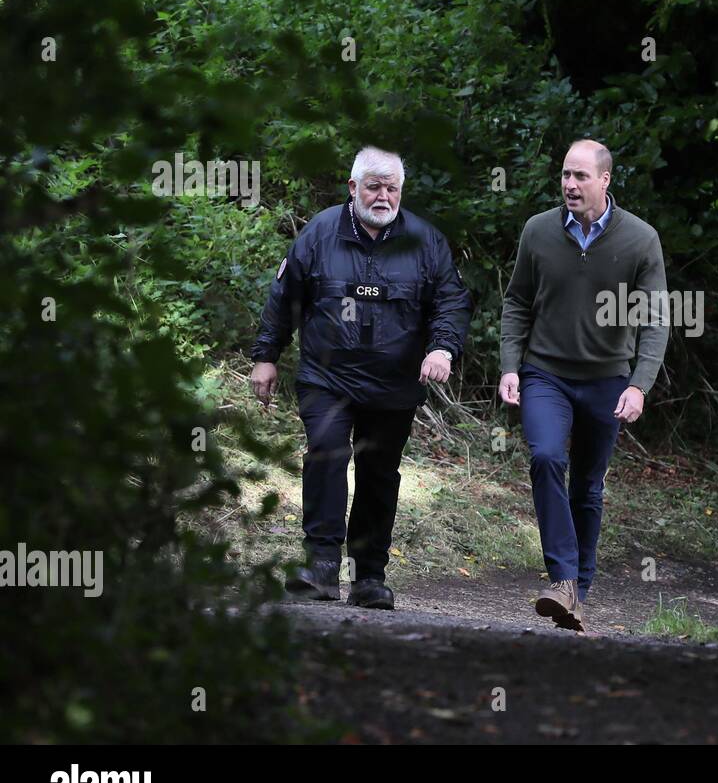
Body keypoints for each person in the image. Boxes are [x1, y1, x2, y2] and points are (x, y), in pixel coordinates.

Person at [250, 146, 471, 609]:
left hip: (392, 384)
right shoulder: (319, 234)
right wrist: (266, 356)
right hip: (327, 377)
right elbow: (284, 296)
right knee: (327, 453)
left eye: (392, 188)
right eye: (374, 185)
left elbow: (450, 301)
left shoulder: (425, 242)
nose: (383, 196)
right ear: (353, 188)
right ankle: (322, 566)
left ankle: (369, 576)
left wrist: (442, 348)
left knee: (379, 473)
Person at [498, 139, 668, 632]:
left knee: (588, 487)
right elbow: (516, 302)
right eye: (565, 176)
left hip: (606, 380)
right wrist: (511, 365)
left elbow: (656, 320)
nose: (570, 185)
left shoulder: (640, 239)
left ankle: (578, 592)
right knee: (547, 456)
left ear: (605, 180)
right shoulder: (538, 231)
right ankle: (563, 579)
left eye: (580, 176)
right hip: (545, 372)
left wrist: (639, 385)